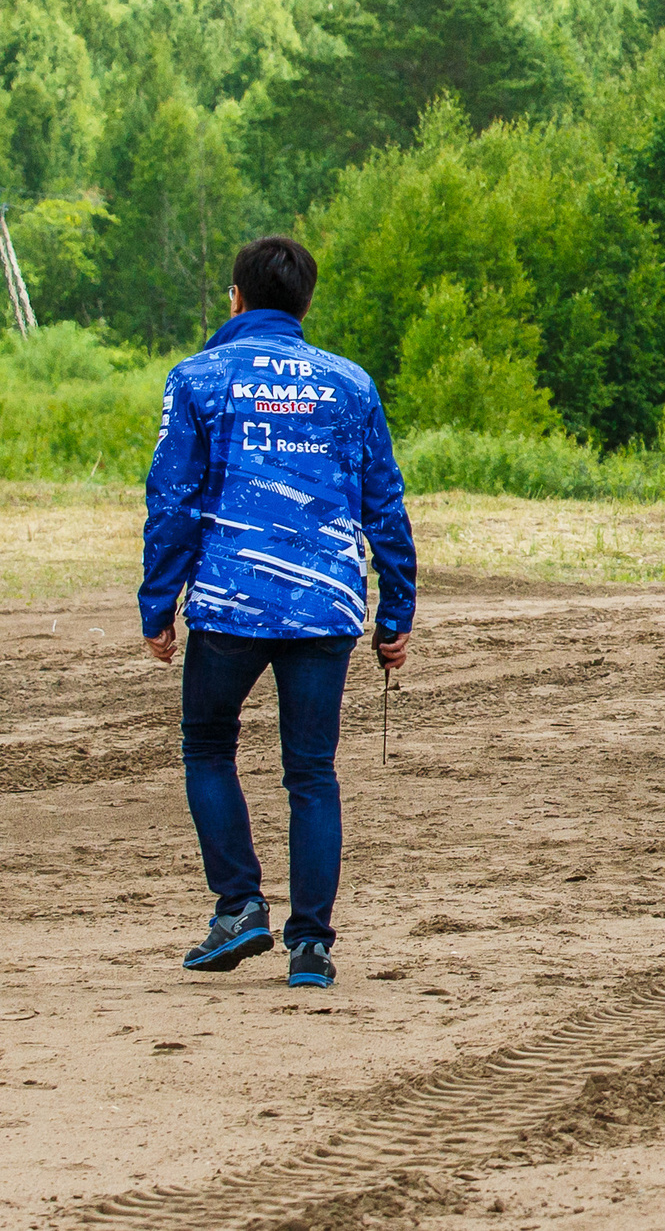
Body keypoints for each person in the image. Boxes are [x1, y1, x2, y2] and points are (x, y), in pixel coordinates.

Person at [140, 236, 416, 992]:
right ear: (305, 303)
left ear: (236, 297)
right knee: (312, 772)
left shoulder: (198, 378)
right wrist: (397, 608)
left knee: (207, 745)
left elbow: (173, 499)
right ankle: (311, 947)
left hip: (231, 603)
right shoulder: (350, 385)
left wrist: (157, 600)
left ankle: (238, 906)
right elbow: (383, 503)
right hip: (326, 605)